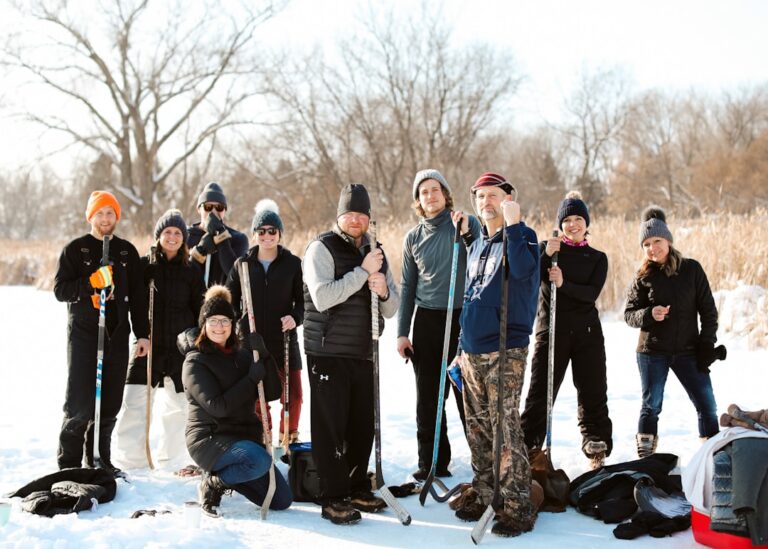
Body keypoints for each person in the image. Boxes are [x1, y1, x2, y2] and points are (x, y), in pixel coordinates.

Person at [303, 183, 400, 525]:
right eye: (350, 214)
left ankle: (358, 485)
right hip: (327, 351)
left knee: (361, 424)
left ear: (369, 218)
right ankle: (332, 494)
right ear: (339, 216)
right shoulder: (321, 248)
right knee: (330, 426)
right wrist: (362, 274)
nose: (356, 220)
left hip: (363, 350)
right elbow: (322, 297)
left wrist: (384, 288)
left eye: (361, 214)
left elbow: (392, 309)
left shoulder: (376, 252)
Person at [449, 172, 539, 538]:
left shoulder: (523, 237)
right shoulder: (477, 245)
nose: (485, 202)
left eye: (492, 196)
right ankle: (486, 491)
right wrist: (458, 349)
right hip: (471, 351)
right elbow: (470, 299)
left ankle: (518, 504)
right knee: (478, 428)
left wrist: (515, 224)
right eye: (480, 197)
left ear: (508, 198)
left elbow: (524, 273)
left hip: (505, 348)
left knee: (505, 427)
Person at [53, 190, 150, 473]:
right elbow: (60, 290)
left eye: (110, 213)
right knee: (80, 401)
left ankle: (98, 458)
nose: (105, 219)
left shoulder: (126, 251)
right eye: (100, 213)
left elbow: (139, 296)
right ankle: (68, 463)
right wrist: (89, 284)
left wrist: (142, 334)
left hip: (117, 333)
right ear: (90, 216)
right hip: (84, 334)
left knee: (109, 401)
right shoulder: (76, 249)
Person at [178, 285, 293, 517]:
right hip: (209, 438)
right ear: (204, 324)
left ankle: (230, 476)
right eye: (213, 321)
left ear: (233, 325)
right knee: (258, 460)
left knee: (281, 500)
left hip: (243, 439)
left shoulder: (242, 356)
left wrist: (265, 355)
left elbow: (271, 392)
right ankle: (215, 483)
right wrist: (250, 380)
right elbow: (217, 407)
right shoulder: (195, 362)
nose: (219, 326)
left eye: (225, 321)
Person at [397, 169, 481, 480]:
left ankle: (482, 461)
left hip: (462, 317)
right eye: (424, 192)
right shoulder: (413, 238)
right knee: (429, 397)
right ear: (417, 201)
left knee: (466, 393)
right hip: (428, 320)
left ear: (445, 194)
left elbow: (481, 248)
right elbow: (407, 287)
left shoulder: (462, 223)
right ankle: (432, 461)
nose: (430, 196)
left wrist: (468, 229)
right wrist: (402, 333)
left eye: (435, 190)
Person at [521, 191, 613, 470]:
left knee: (592, 389)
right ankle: (528, 444)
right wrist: (544, 255)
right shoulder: (548, 251)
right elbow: (527, 281)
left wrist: (563, 284)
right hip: (552, 331)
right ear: (560, 225)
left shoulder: (597, 257)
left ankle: (595, 441)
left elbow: (591, 293)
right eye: (567, 220)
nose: (573, 224)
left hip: (587, 332)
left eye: (578, 219)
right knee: (540, 391)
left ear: (586, 222)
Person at [624, 206, 723, 457]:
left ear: (668, 239)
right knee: (651, 406)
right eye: (646, 244)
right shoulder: (643, 276)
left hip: (689, 350)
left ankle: (711, 458)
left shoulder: (692, 269)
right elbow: (629, 314)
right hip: (652, 351)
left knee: (706, 405)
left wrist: (706, 345)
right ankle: (645, 461)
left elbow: (709, 312)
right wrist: (649, 314)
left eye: (656, 241)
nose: (652, 248)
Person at [115, 209, 205, 472]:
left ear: (184, 239)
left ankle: (171, 459)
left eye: (178, 233)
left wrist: (193, 339)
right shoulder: (144, 267)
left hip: (179, 347)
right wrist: (140, 334)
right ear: (158, 236)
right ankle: (132, 460)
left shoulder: (191, 270)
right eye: (167, 232)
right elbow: (134, 304)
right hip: (148, 344)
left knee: (179, 407)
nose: (173, 237)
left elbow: (200, 306)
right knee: (136, 401)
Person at [227, 199, 304, 448]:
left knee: (293, 396)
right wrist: (239, 327)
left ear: (279, 233)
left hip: (284, 339)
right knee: (258, 397)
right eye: (261, 231)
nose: (267, 236)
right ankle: (264, 436)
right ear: (254, 234)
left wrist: (295, 317)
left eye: (272, 231)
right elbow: (228, 300)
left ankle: (288, 436)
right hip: (253, 341)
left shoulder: (293, 264)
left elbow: (303, 303)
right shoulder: (243, 265)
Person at [187, 182, 248, 287]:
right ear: (199, 209)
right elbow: (183, 276)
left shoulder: (238, 238)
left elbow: (234, 275)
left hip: (223, 301)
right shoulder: (186, 236)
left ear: (225, 211)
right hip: (193, 301)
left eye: (219, 207)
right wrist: (200, 250)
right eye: (208, 207)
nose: (213, 211)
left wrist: (221, 237)